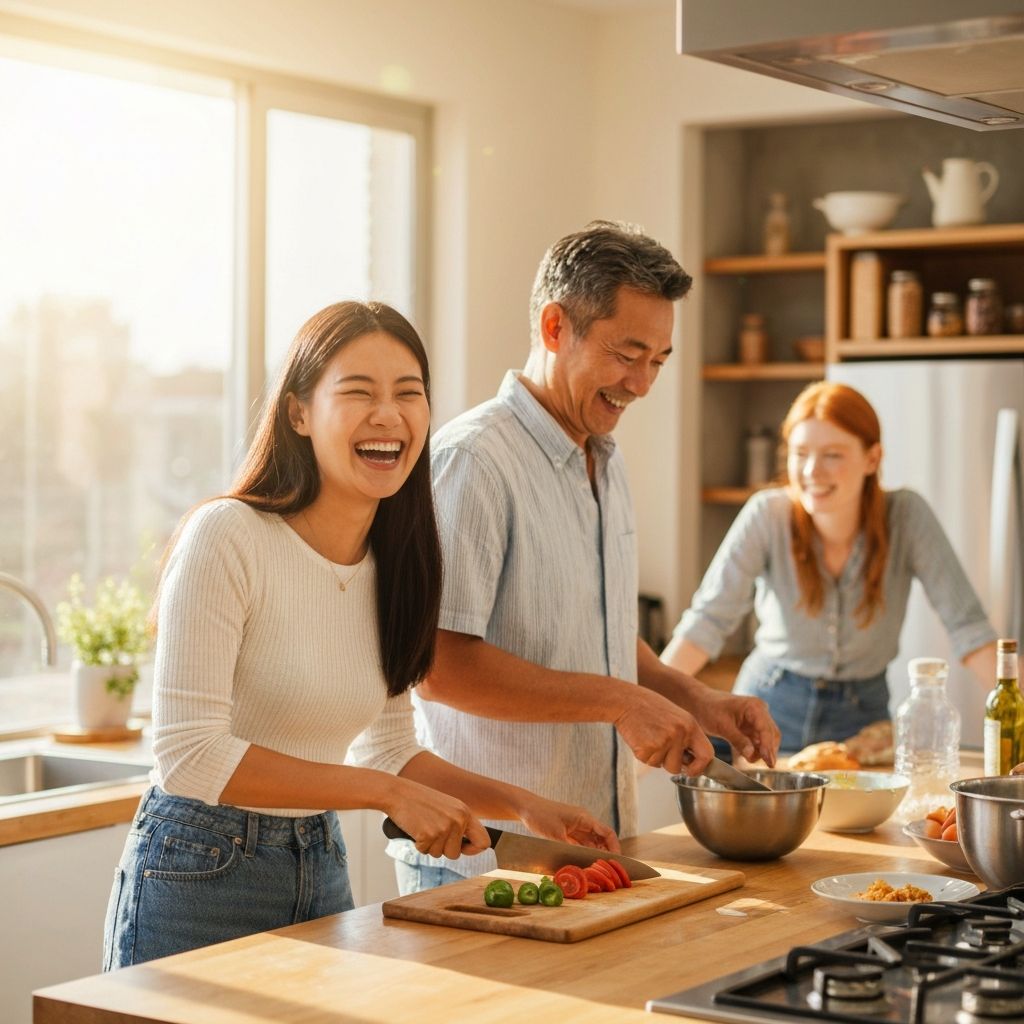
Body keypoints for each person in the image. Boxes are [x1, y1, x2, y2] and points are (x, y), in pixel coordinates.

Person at [102, 301, 618, 969]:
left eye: (409, 394)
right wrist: (386, 794)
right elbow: (190, 755)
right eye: (358, 393)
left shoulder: (398, 564)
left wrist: (526, 807)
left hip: (318, 861)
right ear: (299, 414)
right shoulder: (227, 537)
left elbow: (389, 750)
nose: (388, 415)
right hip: (196, 870)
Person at [392, 221, 780, 894]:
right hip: (486, 859)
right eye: (628, 354)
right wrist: (619, 703)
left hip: (589, 850)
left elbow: (592, 629)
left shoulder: (603, 455)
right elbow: (439, 666)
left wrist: (693, 697)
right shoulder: (474, 462)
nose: (643, 383)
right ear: (554, 327)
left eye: (658, 359)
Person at [661, 380, 1000, 755]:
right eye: (800, 452)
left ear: (872, 458)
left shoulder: (906, 516)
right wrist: (648, 705)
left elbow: (969, 629)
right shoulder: (766, 515)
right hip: (765, 713)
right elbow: (706, 624)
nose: (811, 471)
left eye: (832, 455)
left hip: (862, 724)